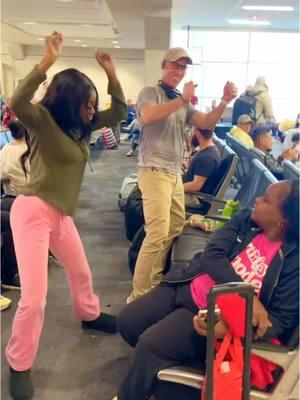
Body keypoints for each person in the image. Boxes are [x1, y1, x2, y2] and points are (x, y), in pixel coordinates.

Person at [5, 31, 127, 400]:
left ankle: (88, 313)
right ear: (71, 100)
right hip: (31, 212)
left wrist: (111, 73)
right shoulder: (41, 120)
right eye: (87, 104)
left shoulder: (82, 128)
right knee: (35, 297)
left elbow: (120, 112)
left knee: (81, 272)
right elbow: (16, 99)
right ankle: (19, 363)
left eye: (93, 104)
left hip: (61, 215)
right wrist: (46, 61)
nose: (92, 110)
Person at [114, 180, 299, 400]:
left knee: (149, 346)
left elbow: (280, 321)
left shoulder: (293, 261)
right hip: (189, 283)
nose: (257, 200)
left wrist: (230, 329)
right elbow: (213, 255)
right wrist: (245, 293)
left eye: (266, 200)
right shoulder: (246, 220)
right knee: (128, 322)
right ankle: (167, 367)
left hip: (211, 314)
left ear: (282, 220)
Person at [127, 47, 237, 302]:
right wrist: (182, 100)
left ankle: (153, 278)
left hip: (174, 173)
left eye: (183, 67)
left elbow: (207, 123)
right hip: (153, 170)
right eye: (175, 66)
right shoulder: (150, 93)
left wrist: (224, 102)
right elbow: (149, 115)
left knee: (175, 224)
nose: (179, 71)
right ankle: (139, 294)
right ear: (164, 65)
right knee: (157, 230)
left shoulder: (180, 100)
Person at [183, 128, 221, 203]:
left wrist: (175, 188)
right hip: (190, 193)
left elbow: (195, 186)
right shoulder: (206, 151)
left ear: (198, 134)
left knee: (164, 195)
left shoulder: (207, 158)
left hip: (195, 197)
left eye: (193, 131)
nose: (191, 135)